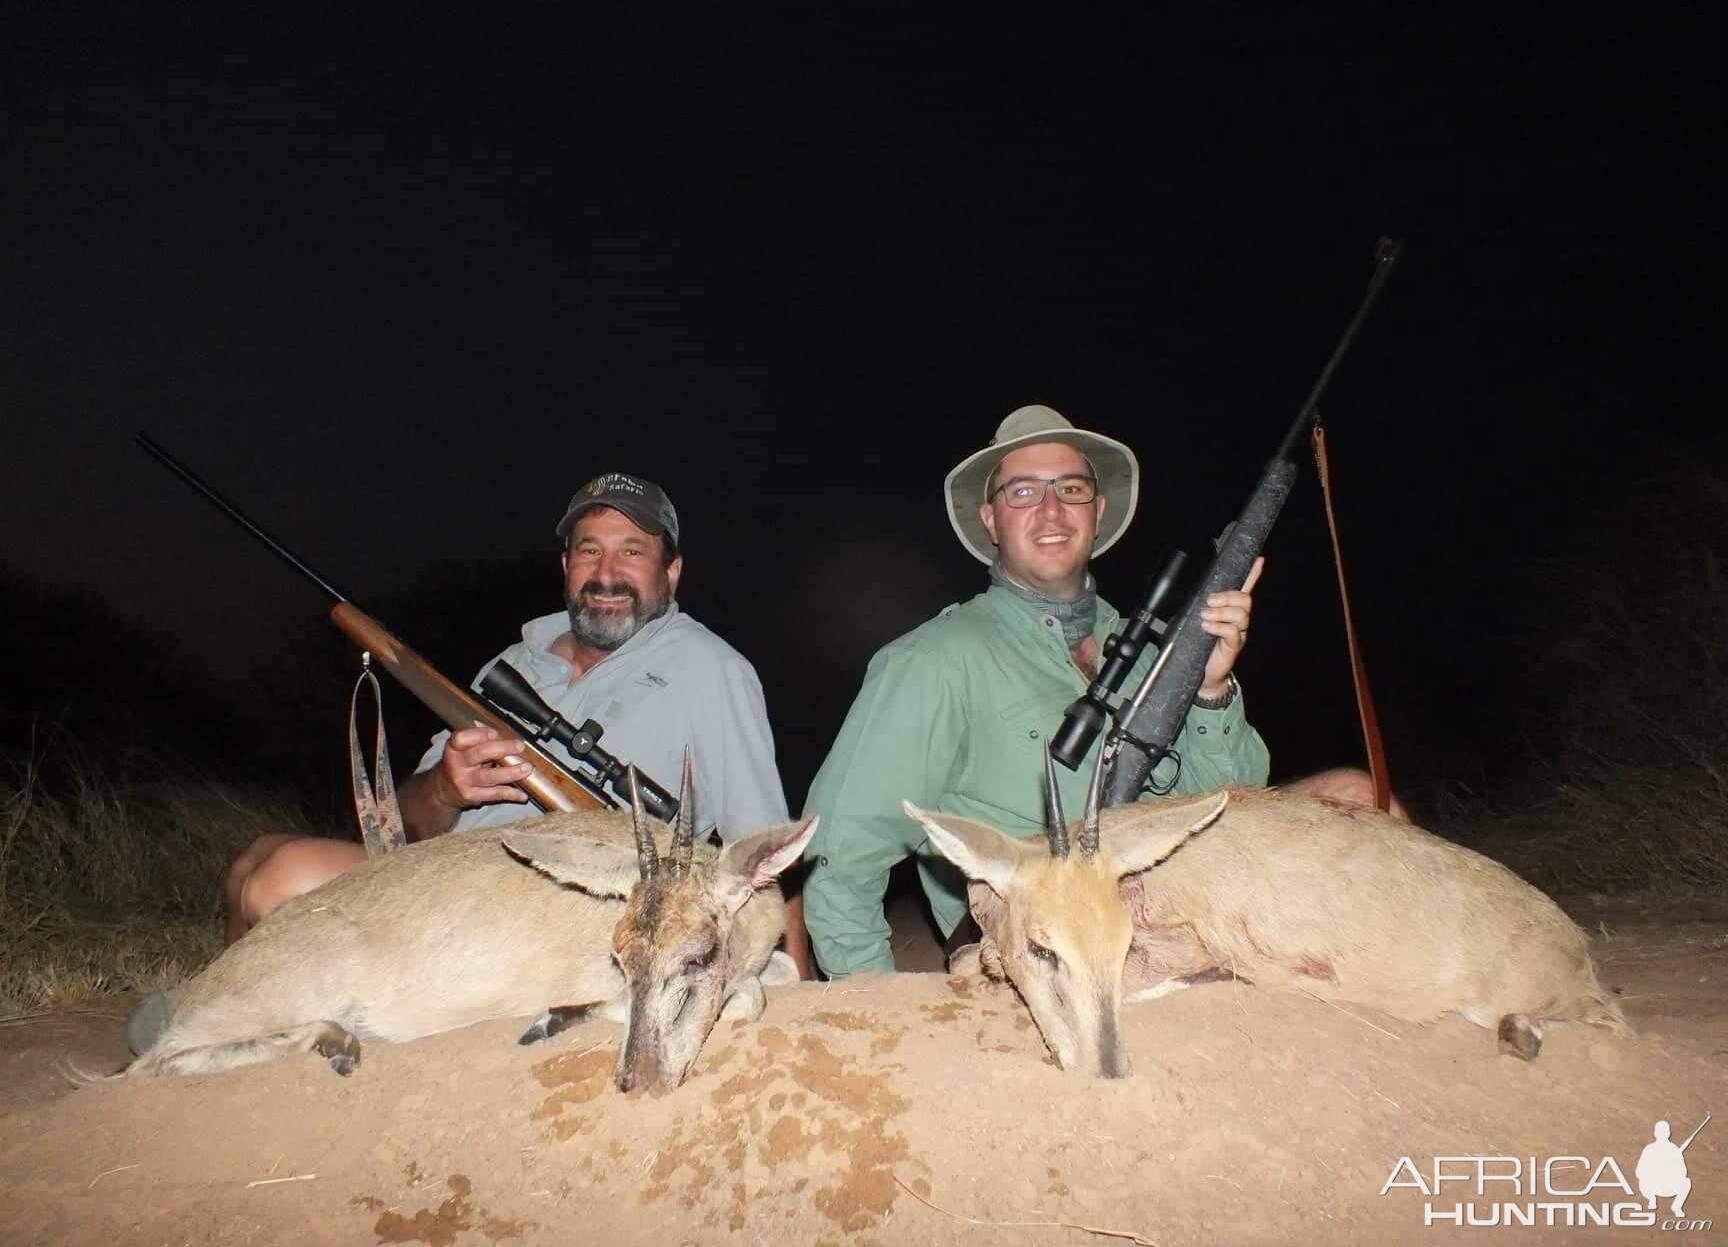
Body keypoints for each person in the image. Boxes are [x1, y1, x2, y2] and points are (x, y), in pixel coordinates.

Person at [131, 473, 803, 1055]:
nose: (606, 573)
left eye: (634, 552)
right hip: (448, 878)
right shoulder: (509, 669)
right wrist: (448, 788)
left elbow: (765, 853)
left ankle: (223, 1028)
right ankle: (233, 1008)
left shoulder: (712, 671)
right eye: (589, 550)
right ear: (565, 564)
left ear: (671, 571)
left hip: (564, 912)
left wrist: (800, 984)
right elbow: (407, 828)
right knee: (259, 858)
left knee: (274, 883)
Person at [800, 404, 1394, 980]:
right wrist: (883, 1008)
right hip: (1049, 939)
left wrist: (1211, 687)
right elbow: (840, 854)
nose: (1051, 510)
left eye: (1070, 489)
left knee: (1359, 798)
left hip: (1175, 895)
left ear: (1097, 509)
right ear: (991, 520)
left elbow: (1228, 803)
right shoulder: (932, 661)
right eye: (1024, 492)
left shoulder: (1154, 647)